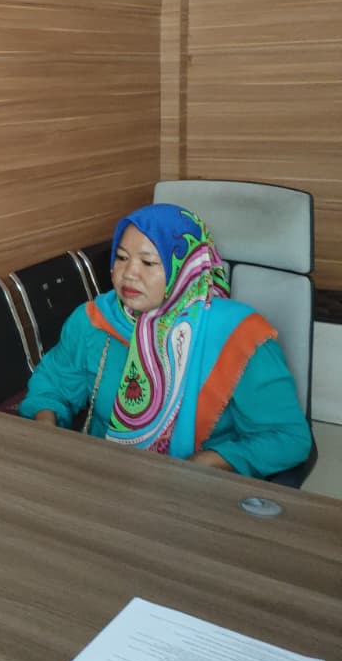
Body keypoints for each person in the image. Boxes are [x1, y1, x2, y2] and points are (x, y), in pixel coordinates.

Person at [18, 202, 312, 477]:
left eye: (148, 262)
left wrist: (209, 462)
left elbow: (287, 437)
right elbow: (52, 385)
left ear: (185, 269)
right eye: (121, 258)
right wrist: (48, 431)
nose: (129, 274)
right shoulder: (94, 320)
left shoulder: (240, 336)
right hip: (101, 476)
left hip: (198, 489)